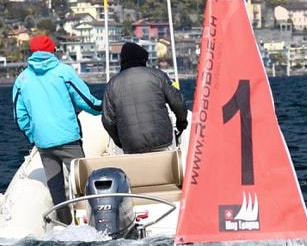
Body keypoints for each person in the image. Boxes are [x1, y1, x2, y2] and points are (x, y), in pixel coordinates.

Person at [12, 35, 102, 224]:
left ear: (32, 53)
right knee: (84, 182)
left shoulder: (22, 79)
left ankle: (65, 225)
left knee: (56, 189)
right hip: (68, 139)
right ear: (53, 51)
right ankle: (96, 220)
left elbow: (20, 116)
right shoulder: (63, 72)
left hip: (43, 142)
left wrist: (33, 134)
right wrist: (104, 107)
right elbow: (86, 102)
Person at [102, 42, 189, 154]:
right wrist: (181, 123)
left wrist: (120, 141)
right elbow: (178, 103)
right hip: (161, 140)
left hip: (131, 145)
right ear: (143, 59)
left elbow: (107, 121)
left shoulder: (112, 84)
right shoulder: (158, 76)